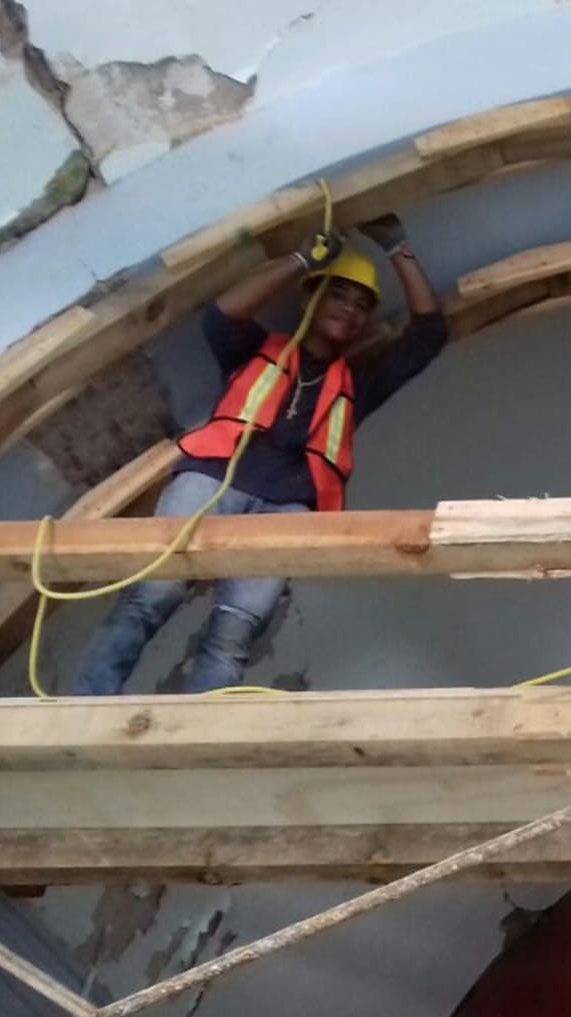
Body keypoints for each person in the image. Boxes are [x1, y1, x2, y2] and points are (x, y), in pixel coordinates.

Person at [72, 215, 447, 695]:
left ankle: (194, 743)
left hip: (289, 509)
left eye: (361, 306)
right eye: (338, 294)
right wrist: (299, 260)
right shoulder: (252, 350)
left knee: (233, 635)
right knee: (148, 599)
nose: (350, 311)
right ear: (310, 298)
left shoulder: (357, 385)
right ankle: (86, 706)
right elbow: (224, 315)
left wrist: (399, 248)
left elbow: (429, 335)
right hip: (211, 483)